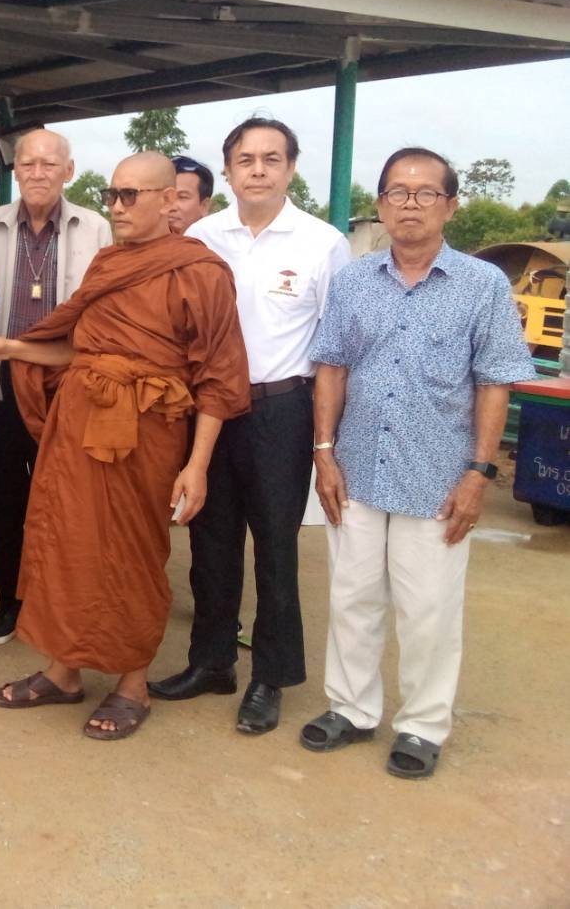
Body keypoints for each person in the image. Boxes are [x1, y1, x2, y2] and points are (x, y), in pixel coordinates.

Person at [0, 153, 249, 738]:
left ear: (168, 199)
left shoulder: (201, 273)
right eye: (112, 195)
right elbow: (82, 350)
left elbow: (218, 380)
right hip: (79, 425)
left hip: (145, 434)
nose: (119, 207)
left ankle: (133, 684)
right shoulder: (108, 263)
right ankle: (64, 672)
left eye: (132, 195)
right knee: (66, 541)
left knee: (131, 553)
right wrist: (13, 349)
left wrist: (197, 466)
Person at [301, 148, 533, 778]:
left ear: (450, 206)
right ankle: (350, 709)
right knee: (352, 598)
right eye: (396, 193)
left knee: (428, 610)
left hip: (437, 476)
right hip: (355, 469)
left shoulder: (482, 285)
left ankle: (423, 726)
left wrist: (478, 475)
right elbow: (332, 367)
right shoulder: (353, 280)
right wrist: (323, 453)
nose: (409, 204)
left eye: (425, 193)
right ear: (379, 206)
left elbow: (494, 383)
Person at [149, 117, 353, 735]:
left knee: (275, 546)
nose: (258, 169)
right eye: (245, 159)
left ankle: (270, 676)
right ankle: (210, 663)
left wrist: (324, 441)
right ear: (229, 169)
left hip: (281, 410)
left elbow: (335, 352)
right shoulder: (204, 236)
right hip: (210, 409)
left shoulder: (322, 243)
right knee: (209, 542)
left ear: (291, 168)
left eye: (271, 158)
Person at [0, 128, 111, 646]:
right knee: (7, 498)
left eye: (49, 164)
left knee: (69, 499)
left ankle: (65, 604)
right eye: (27, 164)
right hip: (2, 384)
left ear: (68, 171)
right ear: (15, 170)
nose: (37, 173)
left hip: (69, 380)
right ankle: (12, 601)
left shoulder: (94, 228)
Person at [170, 155, 215, 234]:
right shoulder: (143, 244)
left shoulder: (216, 244)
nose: (171, 207)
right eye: (166, 197)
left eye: (182, 197)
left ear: (204, 206)